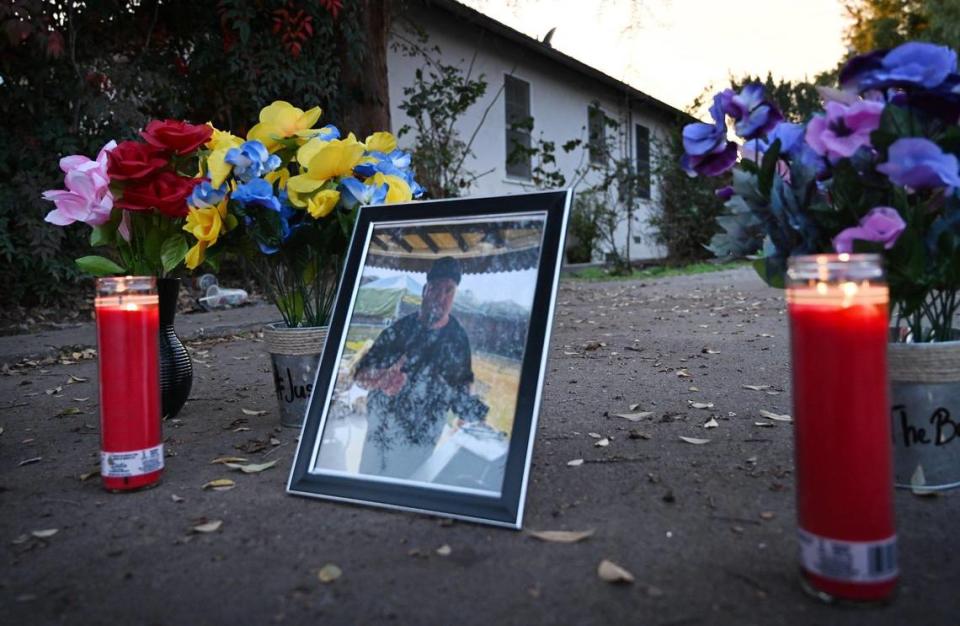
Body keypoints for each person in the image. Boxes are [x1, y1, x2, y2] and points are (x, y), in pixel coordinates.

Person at [354, 256, 488, 479]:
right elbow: (360, 376)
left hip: (420, 444)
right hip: (380, 434)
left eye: (449, 291)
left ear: (454, 295)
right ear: (425, 290)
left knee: (403, 493)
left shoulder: (458, 340)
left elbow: (461, 388)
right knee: (367, 484)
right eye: (436, 288)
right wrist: (382, 378)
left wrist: (473, 417)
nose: (441, 297)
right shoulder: (398, 331)